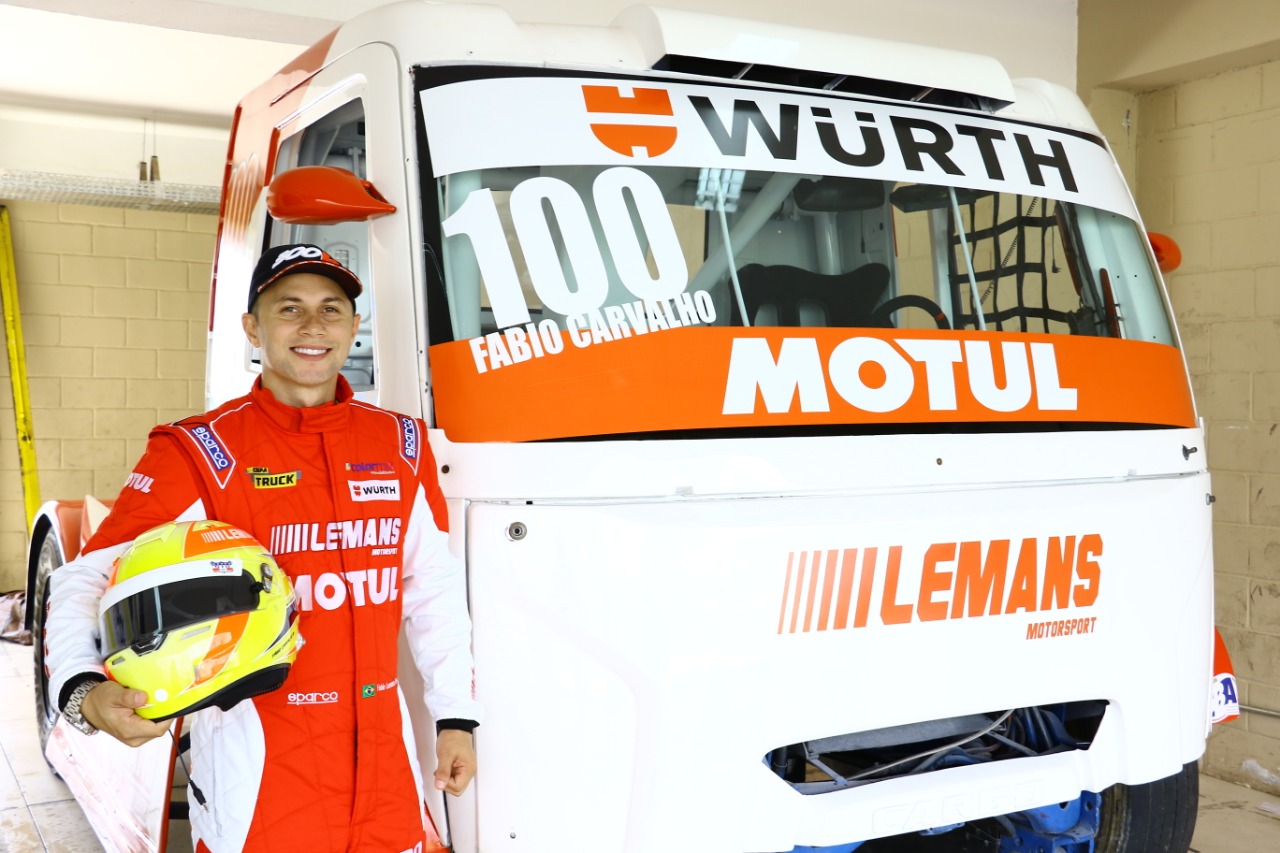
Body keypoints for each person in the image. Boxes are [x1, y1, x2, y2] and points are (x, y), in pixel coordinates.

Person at [45, 243, 482, 853]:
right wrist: (81, 692)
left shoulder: (401, 444)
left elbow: (434, 589)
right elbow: (86, 576)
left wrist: (456, 718)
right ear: (253, 327)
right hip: (257, 780)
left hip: (388, 775)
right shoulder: (200, 452)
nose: (313, 326)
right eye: (289, 308)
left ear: (354, 326)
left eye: (331, 308)